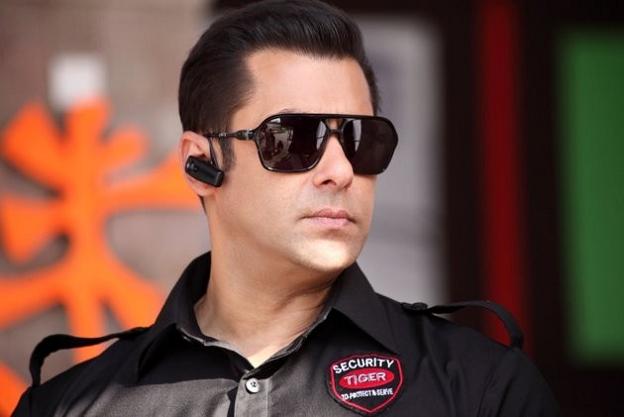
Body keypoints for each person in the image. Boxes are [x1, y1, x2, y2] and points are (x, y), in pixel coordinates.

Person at [12, 0, 560, 416]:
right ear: (201, 164)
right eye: (294, 139)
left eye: (361, 140)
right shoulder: (71, 405)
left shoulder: (480, 390)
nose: (340, 170)